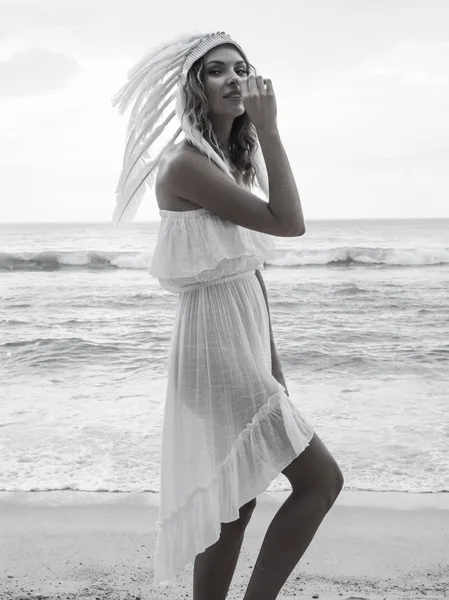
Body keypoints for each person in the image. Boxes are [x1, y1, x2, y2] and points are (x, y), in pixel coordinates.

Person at [112, 31, 344, 600]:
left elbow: (248, 275)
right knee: (320, 481)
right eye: (216, 70)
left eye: (241, 68)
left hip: (237, 342)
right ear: (195, 87)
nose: (234, 78)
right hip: (214, 348)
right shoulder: (184, 165)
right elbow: (289, 222)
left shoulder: (225, 161)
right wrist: (271, 125)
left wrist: (274, 367)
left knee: (234, 500)